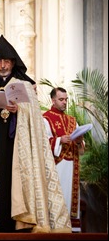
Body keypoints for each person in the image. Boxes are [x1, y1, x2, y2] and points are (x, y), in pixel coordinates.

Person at [0, 35, 71, 233]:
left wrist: (19, 112)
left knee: (16, 181)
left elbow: (34, 121)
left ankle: (21, 223)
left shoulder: (25, 86)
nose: (3, 66)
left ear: (13, 63)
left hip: (18, 149)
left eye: (6, 61)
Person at [43, 87, 85, 233]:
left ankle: (72, 230)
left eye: (66, 99)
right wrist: (60, 140)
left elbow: (81, 150)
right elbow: (42, 143)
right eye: (61, 99)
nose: (64, 102)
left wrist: (79, 141)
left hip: (72, 167)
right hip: (57, 168)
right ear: (53, 100)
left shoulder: (72, 120)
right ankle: (58, 227)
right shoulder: (45, 118)